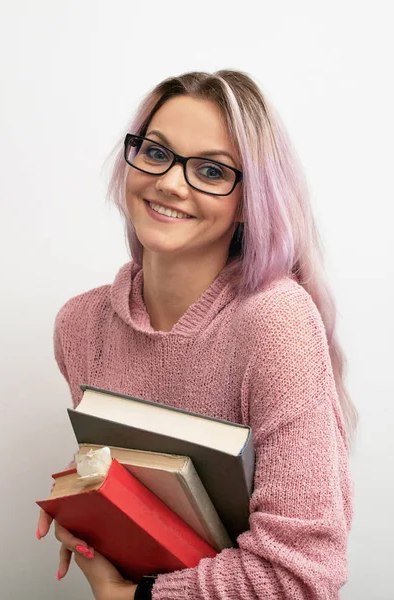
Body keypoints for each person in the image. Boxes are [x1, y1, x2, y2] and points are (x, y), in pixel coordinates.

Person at [36, 69, 356, 600]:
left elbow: (302, 573)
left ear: (249, 203)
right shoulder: (80, 324)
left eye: (210, 170)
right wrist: (86, 503)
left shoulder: (276, 322)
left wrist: (136, 598)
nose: (169, 182)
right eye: (157, 153)